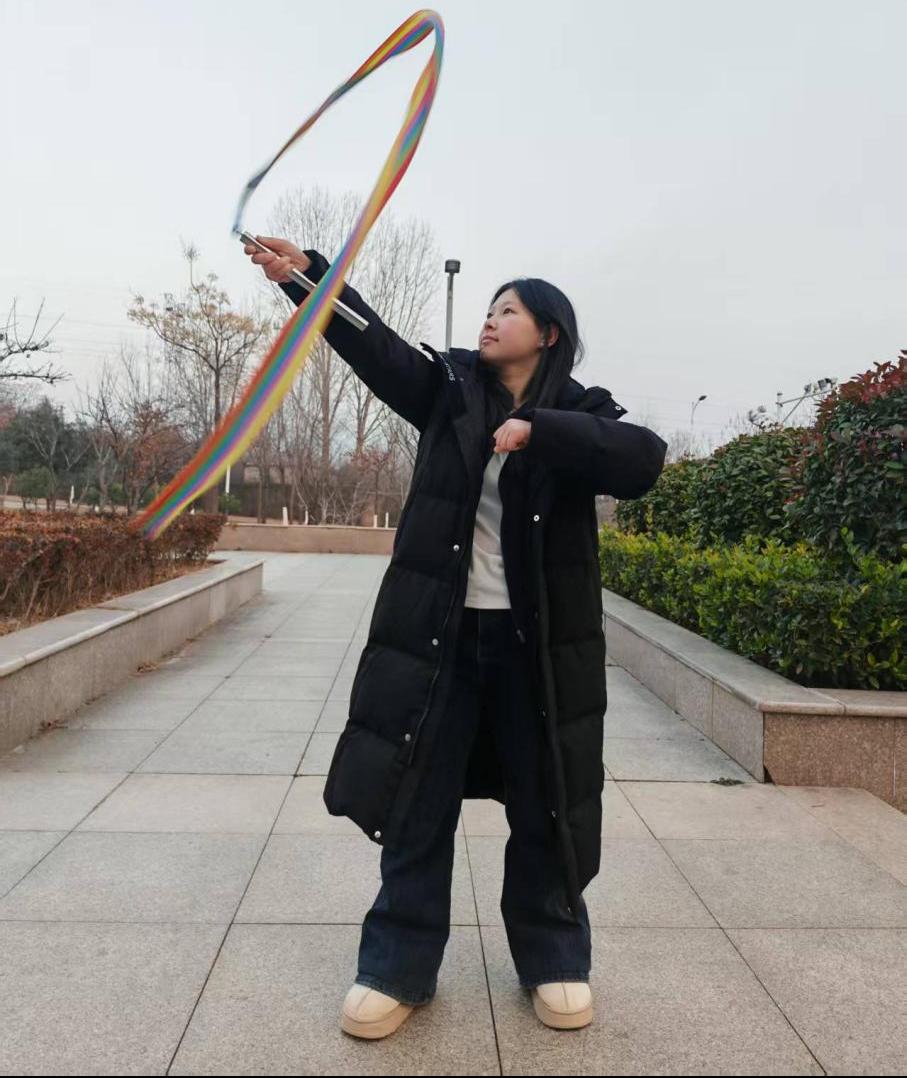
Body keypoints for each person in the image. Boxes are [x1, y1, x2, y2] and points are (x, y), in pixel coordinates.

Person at [245, 236, 668, 1039]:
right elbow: (371, 343)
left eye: (508, 310)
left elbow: (642, 460)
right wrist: (306, 277)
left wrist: (539, 431)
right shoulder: (448, 389)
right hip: (440, 639)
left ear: (548, 332)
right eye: (488, 309)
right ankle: (395, 966)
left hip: (535, 651)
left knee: (545, 803)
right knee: (417, 799)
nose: (489, 320)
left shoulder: (583, 411)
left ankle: (554, 957)